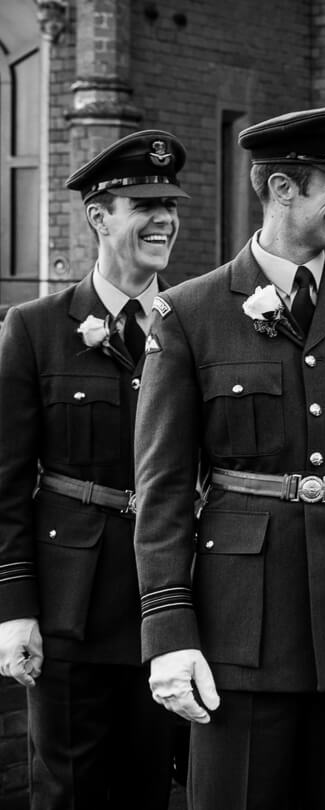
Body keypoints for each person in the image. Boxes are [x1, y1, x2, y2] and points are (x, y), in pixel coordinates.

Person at [131, 103, 325, 810]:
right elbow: (162, 492)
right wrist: (170, 635)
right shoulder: (191, 314)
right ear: (282, 188)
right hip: (237, 635)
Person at [0, 130, 188, 809]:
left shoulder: (195, 322)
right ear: (99, 216)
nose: (164, 217)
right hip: (70, 606)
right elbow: (6, 485)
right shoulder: (36, 328)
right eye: (144, 203)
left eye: (170, 202)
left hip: (167, 604)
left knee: (151, 790)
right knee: (68, 792)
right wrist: (14, 611)